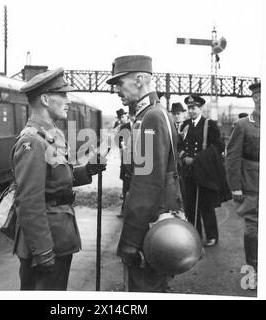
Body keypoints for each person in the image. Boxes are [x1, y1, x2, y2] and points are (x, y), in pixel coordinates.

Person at [13, 68, 106, 290]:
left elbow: (55, 179)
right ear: (45, 99)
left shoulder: (52, 135)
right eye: (63, 95)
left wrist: (89, 169)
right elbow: (29, 202)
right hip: (45, 244)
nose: (68, 101)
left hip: (58, 237)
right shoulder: (33, 142)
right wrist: (43, 251)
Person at [107, 55, 181, 292]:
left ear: (139, 79)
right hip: (158, 220)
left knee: (144, 289)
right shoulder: (156, 114)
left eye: (120, 82)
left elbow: (147, 184)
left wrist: (130, 241)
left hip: (149, 224)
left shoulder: (150, 117)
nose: (116, 90)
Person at [178, 94, 227, 247]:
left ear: (200, 108)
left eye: (194, 108)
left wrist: (197, 159)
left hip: (204, 171)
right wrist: (184, 156)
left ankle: (212, 236)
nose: (191, 111)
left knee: (206, 204)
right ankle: (195, 235)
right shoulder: (184, 125)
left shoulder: (209, 125)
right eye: (189, 108)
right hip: (188, 172)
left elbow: (218, 147)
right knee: (190, 205)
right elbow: (179, 144)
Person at [226, 82, 260, 288]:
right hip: (252, 186)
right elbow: (232, 158)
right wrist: (236, 187)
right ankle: (253, 271)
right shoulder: (243, 125)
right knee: (253, 230)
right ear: (255, 99)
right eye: (259, 97)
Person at [116, 110, 135, 218]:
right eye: (132, 115)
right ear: (130, 116)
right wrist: (122, 144)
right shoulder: (124, 127)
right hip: (126, 160)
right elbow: (118, 140)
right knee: (125, 186)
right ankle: (123, 210)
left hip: (136, 160)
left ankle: (131, 211)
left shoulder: (141, 125)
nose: (133, 117)